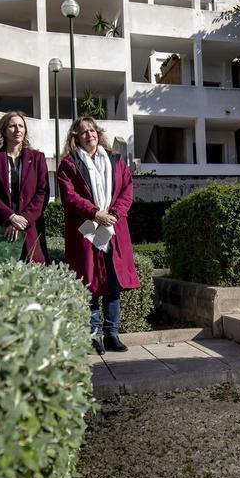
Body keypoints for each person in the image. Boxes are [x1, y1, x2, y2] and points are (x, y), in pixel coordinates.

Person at [57, 117, 140, 355]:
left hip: (114, 229)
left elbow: (127, 189)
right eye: (83, 132)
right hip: (85, 231)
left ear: (98, 133)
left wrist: (113, 214)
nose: (89, 134)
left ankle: (112, 334)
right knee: (89, 283)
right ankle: (94, 337)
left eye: (92, 130)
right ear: (76, 137)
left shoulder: (115, 160)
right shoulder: (69, 164)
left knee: (113, 284)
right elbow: (69, 197)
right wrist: (95, 214)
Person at [0, 110, 49, 263]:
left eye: (21, 126)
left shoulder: (37, 158)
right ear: (4, 130)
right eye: (12, 126)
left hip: (29, 227)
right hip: (0, 225)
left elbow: (42, 193)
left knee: (36, 277)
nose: (17, 130)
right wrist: (11, 217)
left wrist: (23, 219)